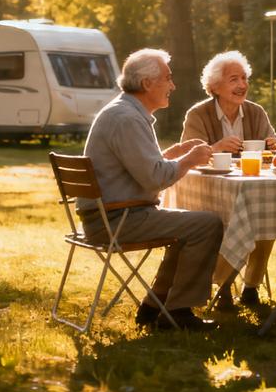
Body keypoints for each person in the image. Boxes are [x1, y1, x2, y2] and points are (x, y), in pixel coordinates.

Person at [81, 48, 222, 331]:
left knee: (190, 225)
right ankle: (179, 312)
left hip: (110, 216)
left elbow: (138, 168)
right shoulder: (127, 119)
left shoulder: (125, 112)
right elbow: (154, 178)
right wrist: (189, 160)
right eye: (168, 79)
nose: (173, 85)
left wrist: (171, 155)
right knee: (208, 225)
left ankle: (155, 305)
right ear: (147, 83)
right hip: (116, 220)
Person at [181, 51, 276, 309]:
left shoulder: (256, 112)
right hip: (211, 192)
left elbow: (273, 149)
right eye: (234, 79)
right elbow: (187, 157)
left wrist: (272, 146)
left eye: (244, 78)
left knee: (266, 220)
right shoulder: (197, 115)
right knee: (219, 222)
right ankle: (223, 286)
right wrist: (217, 147)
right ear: (214, 86)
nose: (242, 85)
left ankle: (250, 287)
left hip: (251, 188)